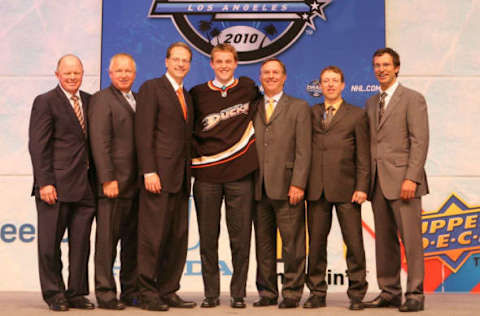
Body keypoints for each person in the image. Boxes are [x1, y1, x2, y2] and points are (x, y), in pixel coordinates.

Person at [190, 43, 259, 308]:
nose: (223, 66)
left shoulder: (248, 88)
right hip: (207, 177)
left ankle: (238, 293)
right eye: (218, 61)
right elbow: (187, 131)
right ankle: (210, 294)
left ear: (236, 63)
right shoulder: (197, 93)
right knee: (208, 238)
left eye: (228, 61)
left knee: (240, 238)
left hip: (240, 176)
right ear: (211, 64)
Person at [363, 48, 429, 312]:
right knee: (384, 241)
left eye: (386, 65)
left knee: (411, 241)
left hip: (405, 182)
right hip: (378, 183)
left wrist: (411, 178)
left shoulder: (413, 99)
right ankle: (389, 291)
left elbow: (419, 141)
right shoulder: (370, 103)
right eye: (377, 65)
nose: (381, 69)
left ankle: (415, 294)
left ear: (397, 67)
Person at [28, 54, 96, 311]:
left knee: (81, 245)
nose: (72, 77)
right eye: (67, 73)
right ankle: (54, 293)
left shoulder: (90, 101)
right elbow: (38, 145)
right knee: (49, 245)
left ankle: (77, 292)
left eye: (76, 73)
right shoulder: (45, 102)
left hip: (85, 187)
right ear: (57, 74)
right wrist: (44, 182)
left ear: (82, 74)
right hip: (53, 187)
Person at [135, 42, 196, 311]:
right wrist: (149, 170)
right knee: (152, 237)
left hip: (181, 179)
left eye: (186, 61)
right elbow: (143, 133)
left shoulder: (188, 96)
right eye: (176, 59)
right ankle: (147, 293)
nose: (181, 64)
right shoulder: (152, 88)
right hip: (157, 177)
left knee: (177, 237)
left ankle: (169, 289)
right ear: (166, 61)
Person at [305, 65, 370, 311]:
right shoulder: (311, 112)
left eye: (334, 81)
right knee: (316, 245)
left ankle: (356, 294)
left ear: (343, 85)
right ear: (319, 86)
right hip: (316, 190)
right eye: (325, 81)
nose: (330, 85)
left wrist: (362, 186)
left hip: (348, 190)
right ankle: (316, 292)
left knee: (354, 244)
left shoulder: (356, 114)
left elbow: (364, 155)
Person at [252, 58, 311, 309]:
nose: (271, 76)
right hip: (257, 187)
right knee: (263, 244)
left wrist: (298, 183)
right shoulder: (252, 106)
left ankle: (292, 292)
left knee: (293, 245)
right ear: (260, 76)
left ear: (284, 77)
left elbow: (304, 151)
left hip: (288, 187)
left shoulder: (299, 107)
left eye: (275, 72)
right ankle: (267, 292)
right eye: (266, 73)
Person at [88, 53, 139, 310]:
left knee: (132, 244)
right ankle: (106, 294)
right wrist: (107, 179)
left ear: (134, 73)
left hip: (136, 187)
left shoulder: (138, 99)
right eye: (118, 70)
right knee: (107, 243)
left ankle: (130, 291)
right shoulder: (101, 100)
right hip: (112, 186)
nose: (123, 74)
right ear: (109, 74)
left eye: (128, 71)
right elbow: (100, 142)